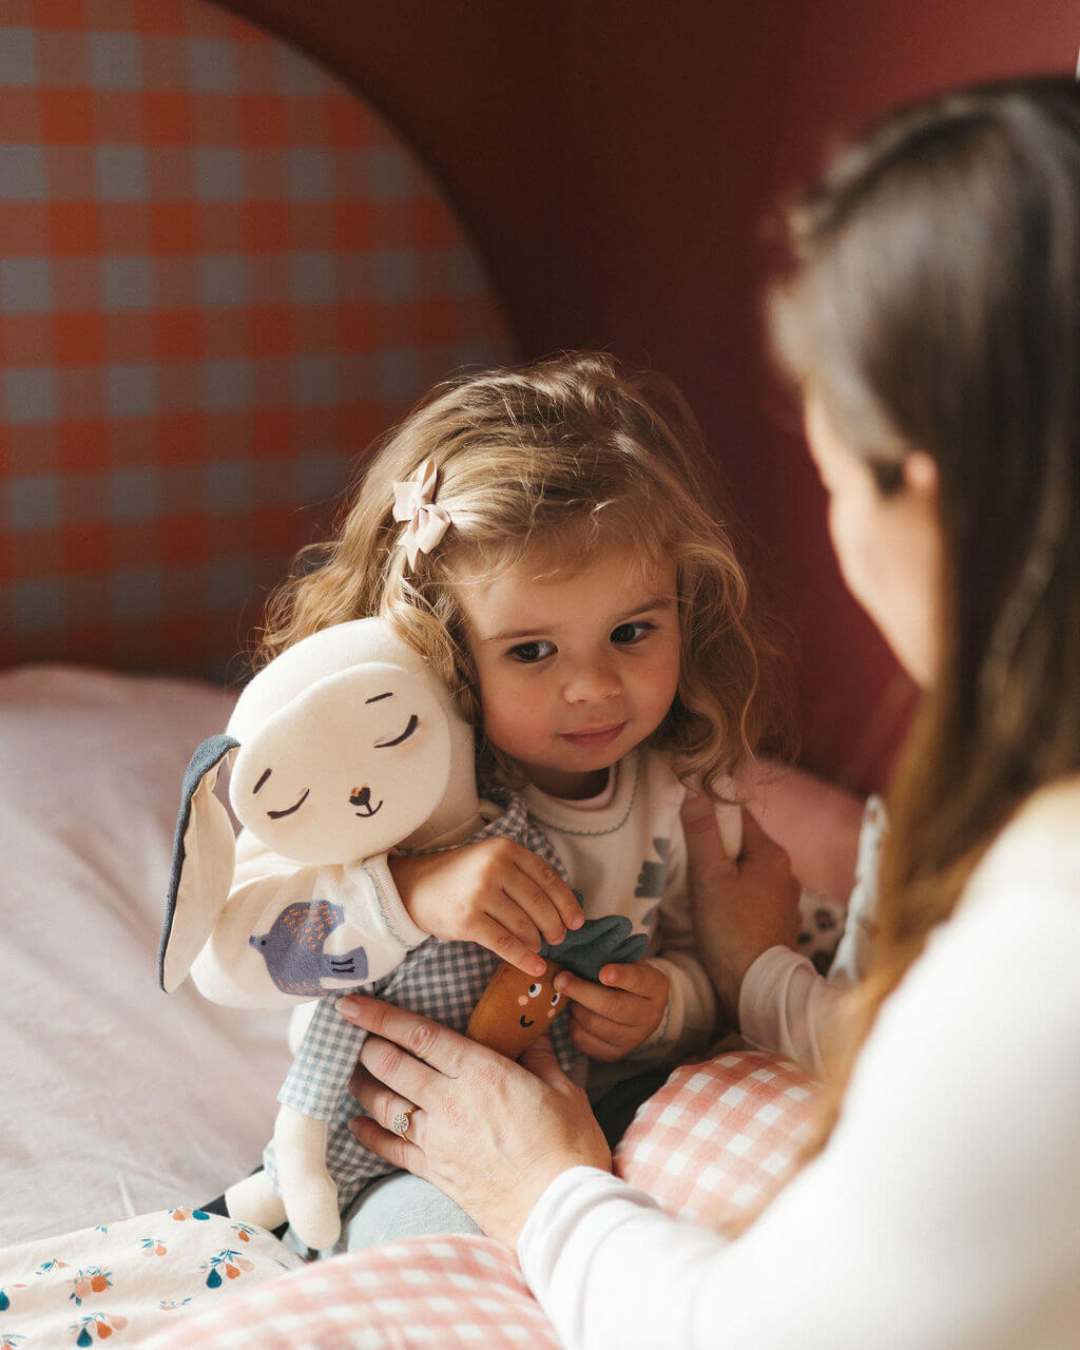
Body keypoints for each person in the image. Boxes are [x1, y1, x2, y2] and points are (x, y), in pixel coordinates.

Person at [337, 74, 1080, 1347]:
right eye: (532, 650)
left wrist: (544, 1183)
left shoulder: (1038, 951)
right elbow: (269, 925)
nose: (591, 687)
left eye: (830, 467)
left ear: (925, 494)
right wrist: (758, 976)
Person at [244, 350, 789, 1250]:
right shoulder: (391, 779)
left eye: (632, 632)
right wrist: (411, 893)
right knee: (443, 1248)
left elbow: (706, 962)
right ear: (439, 645)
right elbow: (249, 950)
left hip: (601, 1108)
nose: (594, 686)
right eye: (532, 651)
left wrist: (664, 1006)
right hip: (397, 1136)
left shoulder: (685, 786)